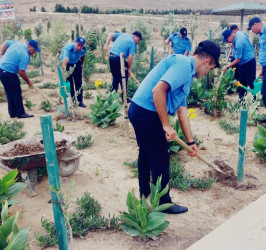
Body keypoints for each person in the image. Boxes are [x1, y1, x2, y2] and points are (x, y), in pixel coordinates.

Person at [128, 40, 221, 214]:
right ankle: (164, 203)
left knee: (147, 152)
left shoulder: (186, 73)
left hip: (139, 110)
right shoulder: (183, 65)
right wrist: (166, 125)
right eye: (210, 69)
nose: (207, 72)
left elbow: (182, 111)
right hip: (147, 112)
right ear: (207, 61)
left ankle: (145, 194)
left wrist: (190, 141)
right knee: (161, 158)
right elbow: (158, 91)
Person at [0, 40, 40, 118]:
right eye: (34, 50)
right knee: (16, 92)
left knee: (9, 92)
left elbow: (6, 42)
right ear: (29, 46)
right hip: (8, 72)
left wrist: (1, 53)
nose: (34, 52)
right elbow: (21, 71)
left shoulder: (17, 43)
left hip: (1, 69)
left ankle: (13, 113)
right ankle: (20, 113)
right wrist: (28, 81)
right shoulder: (25, 55)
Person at [103, 31, 143, 95]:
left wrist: (106, 44)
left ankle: (112, 96)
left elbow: (111, 34)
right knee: (123, 77)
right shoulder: (133, 43)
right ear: (135, 36)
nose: (139, 41)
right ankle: (124, 97)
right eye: (138, 39)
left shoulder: (123, 35)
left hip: (111, 57)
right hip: (118, 59)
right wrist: (129, 69)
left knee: (116, 77)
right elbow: (130, 58)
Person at [222, 28, 256, 100]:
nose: (227, 42)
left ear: (231, 36)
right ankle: (241, 101)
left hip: (248, 63)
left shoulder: (238, 43)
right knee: (241, 83)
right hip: (245, 61)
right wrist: (233, 44)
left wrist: (227, 67)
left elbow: (238, 59)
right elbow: (246, 35)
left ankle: (255, 101)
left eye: (227, 40)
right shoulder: (239, 33)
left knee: (251, 83)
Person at [60, 37, 87, 108]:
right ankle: (72, 102)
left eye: (81, 46)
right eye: (78, 45)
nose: (80, 47)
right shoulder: (68, 48)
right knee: (70, 84)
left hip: (76, 62)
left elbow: (83, 55)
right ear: (75, 43)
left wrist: (81, 64)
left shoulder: (83, 48)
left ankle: (80, 101)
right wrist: (64, 73)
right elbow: (65, 60)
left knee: (79, 83)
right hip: (67, 64)